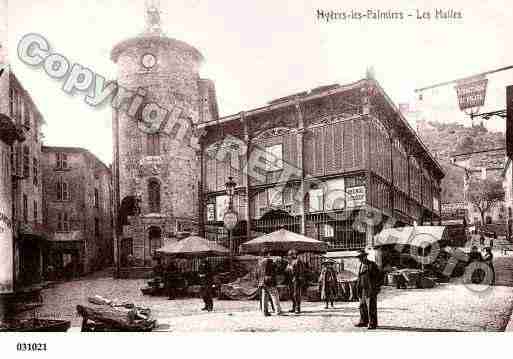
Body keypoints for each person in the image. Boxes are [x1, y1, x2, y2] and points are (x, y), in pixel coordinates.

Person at [355, 249, 382, 330]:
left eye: (361, 257)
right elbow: (360, 277)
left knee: (371, 307)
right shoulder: (361, 266)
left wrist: (376, 288)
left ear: (365, 257)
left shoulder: (372, 265)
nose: (360, 259)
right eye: (359, 258)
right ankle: (363, 321)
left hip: (370, 289)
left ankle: (372, 323)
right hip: (362, 289)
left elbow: (379, 277)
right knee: (362, 306)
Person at [258, 248, 282, 317]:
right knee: (274, 296)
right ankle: (278, 311)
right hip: (269, 280)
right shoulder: (270, 261)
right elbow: (276, 268)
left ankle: (264, 312)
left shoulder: (260, 262)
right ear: (268, 254)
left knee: (264, 297)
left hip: (262, 280)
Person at [286, 249, 305, 314]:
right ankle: (294, 307)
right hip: (290, 279)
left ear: (294, 255)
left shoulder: (298, 261)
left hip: (296, 279)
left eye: (290, 254)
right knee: (291, 294)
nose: (289, 256)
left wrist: (299, 278)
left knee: (296, 294)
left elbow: (301, 271)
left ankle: (297, 308)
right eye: (289, 255)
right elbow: (286, 270)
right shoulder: (289, 262)